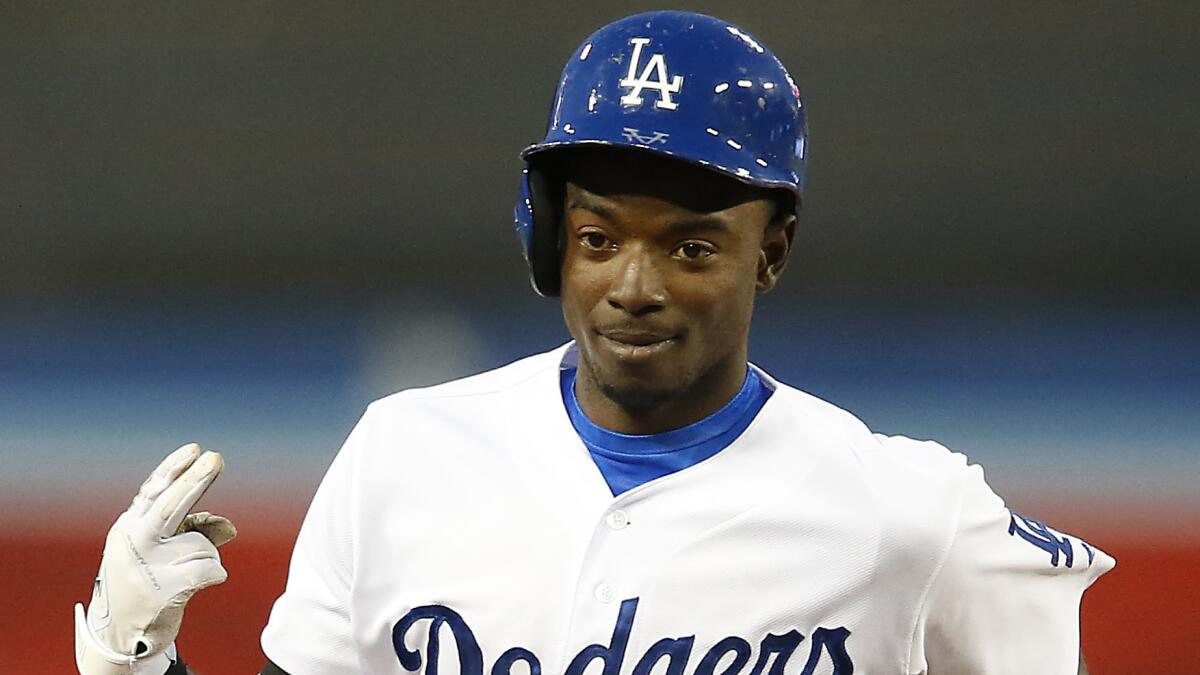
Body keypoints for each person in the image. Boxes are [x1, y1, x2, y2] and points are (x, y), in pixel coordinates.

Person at [72, 11, 1113, 675]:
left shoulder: (912, 517)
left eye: (692, 246)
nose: (635, 286)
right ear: (548, 241)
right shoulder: (405, 454)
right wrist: (132, 660)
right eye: (598, 237)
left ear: (773, 252)